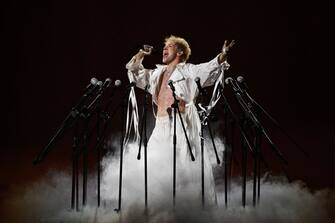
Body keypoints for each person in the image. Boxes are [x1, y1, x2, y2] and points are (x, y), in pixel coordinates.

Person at [125, 35, 235, 209]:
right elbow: (134, 72)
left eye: (169, 46)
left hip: (182, 125)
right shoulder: (156, 73)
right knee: (154, 166)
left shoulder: (189, 70)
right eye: (164, 46)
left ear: (180, 52)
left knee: (184, 168)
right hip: (161, 126)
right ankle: (158, 209)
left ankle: (188, 210)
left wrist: (223, 54)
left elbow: (212, 67)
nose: (164, 49)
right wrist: (141, 54)